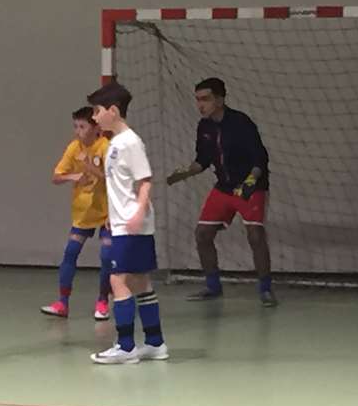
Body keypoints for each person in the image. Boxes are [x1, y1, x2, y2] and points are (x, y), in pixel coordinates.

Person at [166, 77, 277, 307]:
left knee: (255, 236)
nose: (200, 105)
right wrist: (184, 173)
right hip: (224, 187)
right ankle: (213, 286)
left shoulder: (241, 123)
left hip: (250, 186)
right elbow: (202, 161)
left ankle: (265, 288)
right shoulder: (204, 126)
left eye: (205, 99)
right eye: (198, 100)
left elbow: (260, 158)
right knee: (202, 234)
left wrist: (249, 182)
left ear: (220, 100)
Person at [87, 82, 168, 364]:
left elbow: (145, 181)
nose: (94, 117)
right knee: (139, 280)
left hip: (132, 225)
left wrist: (137, 213)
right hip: (122, 223)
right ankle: (155, 343)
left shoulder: (130, 142)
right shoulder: (114, 144)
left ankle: (125, 346)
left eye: (97, 111)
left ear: (113, 110)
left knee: (117, 279)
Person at [41, 107, 112, 320]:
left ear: (96, 128)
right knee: (71, 252)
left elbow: (113, 179)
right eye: (75, 126)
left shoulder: (106, 147)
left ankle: (103, 301)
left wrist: (91, 168)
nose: (78, 131)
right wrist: (74, 177)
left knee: (107, 255)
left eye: (82, 126)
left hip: (107, 212)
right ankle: (62, 303)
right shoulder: (74, 148)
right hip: (83, 212)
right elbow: (56, 177)